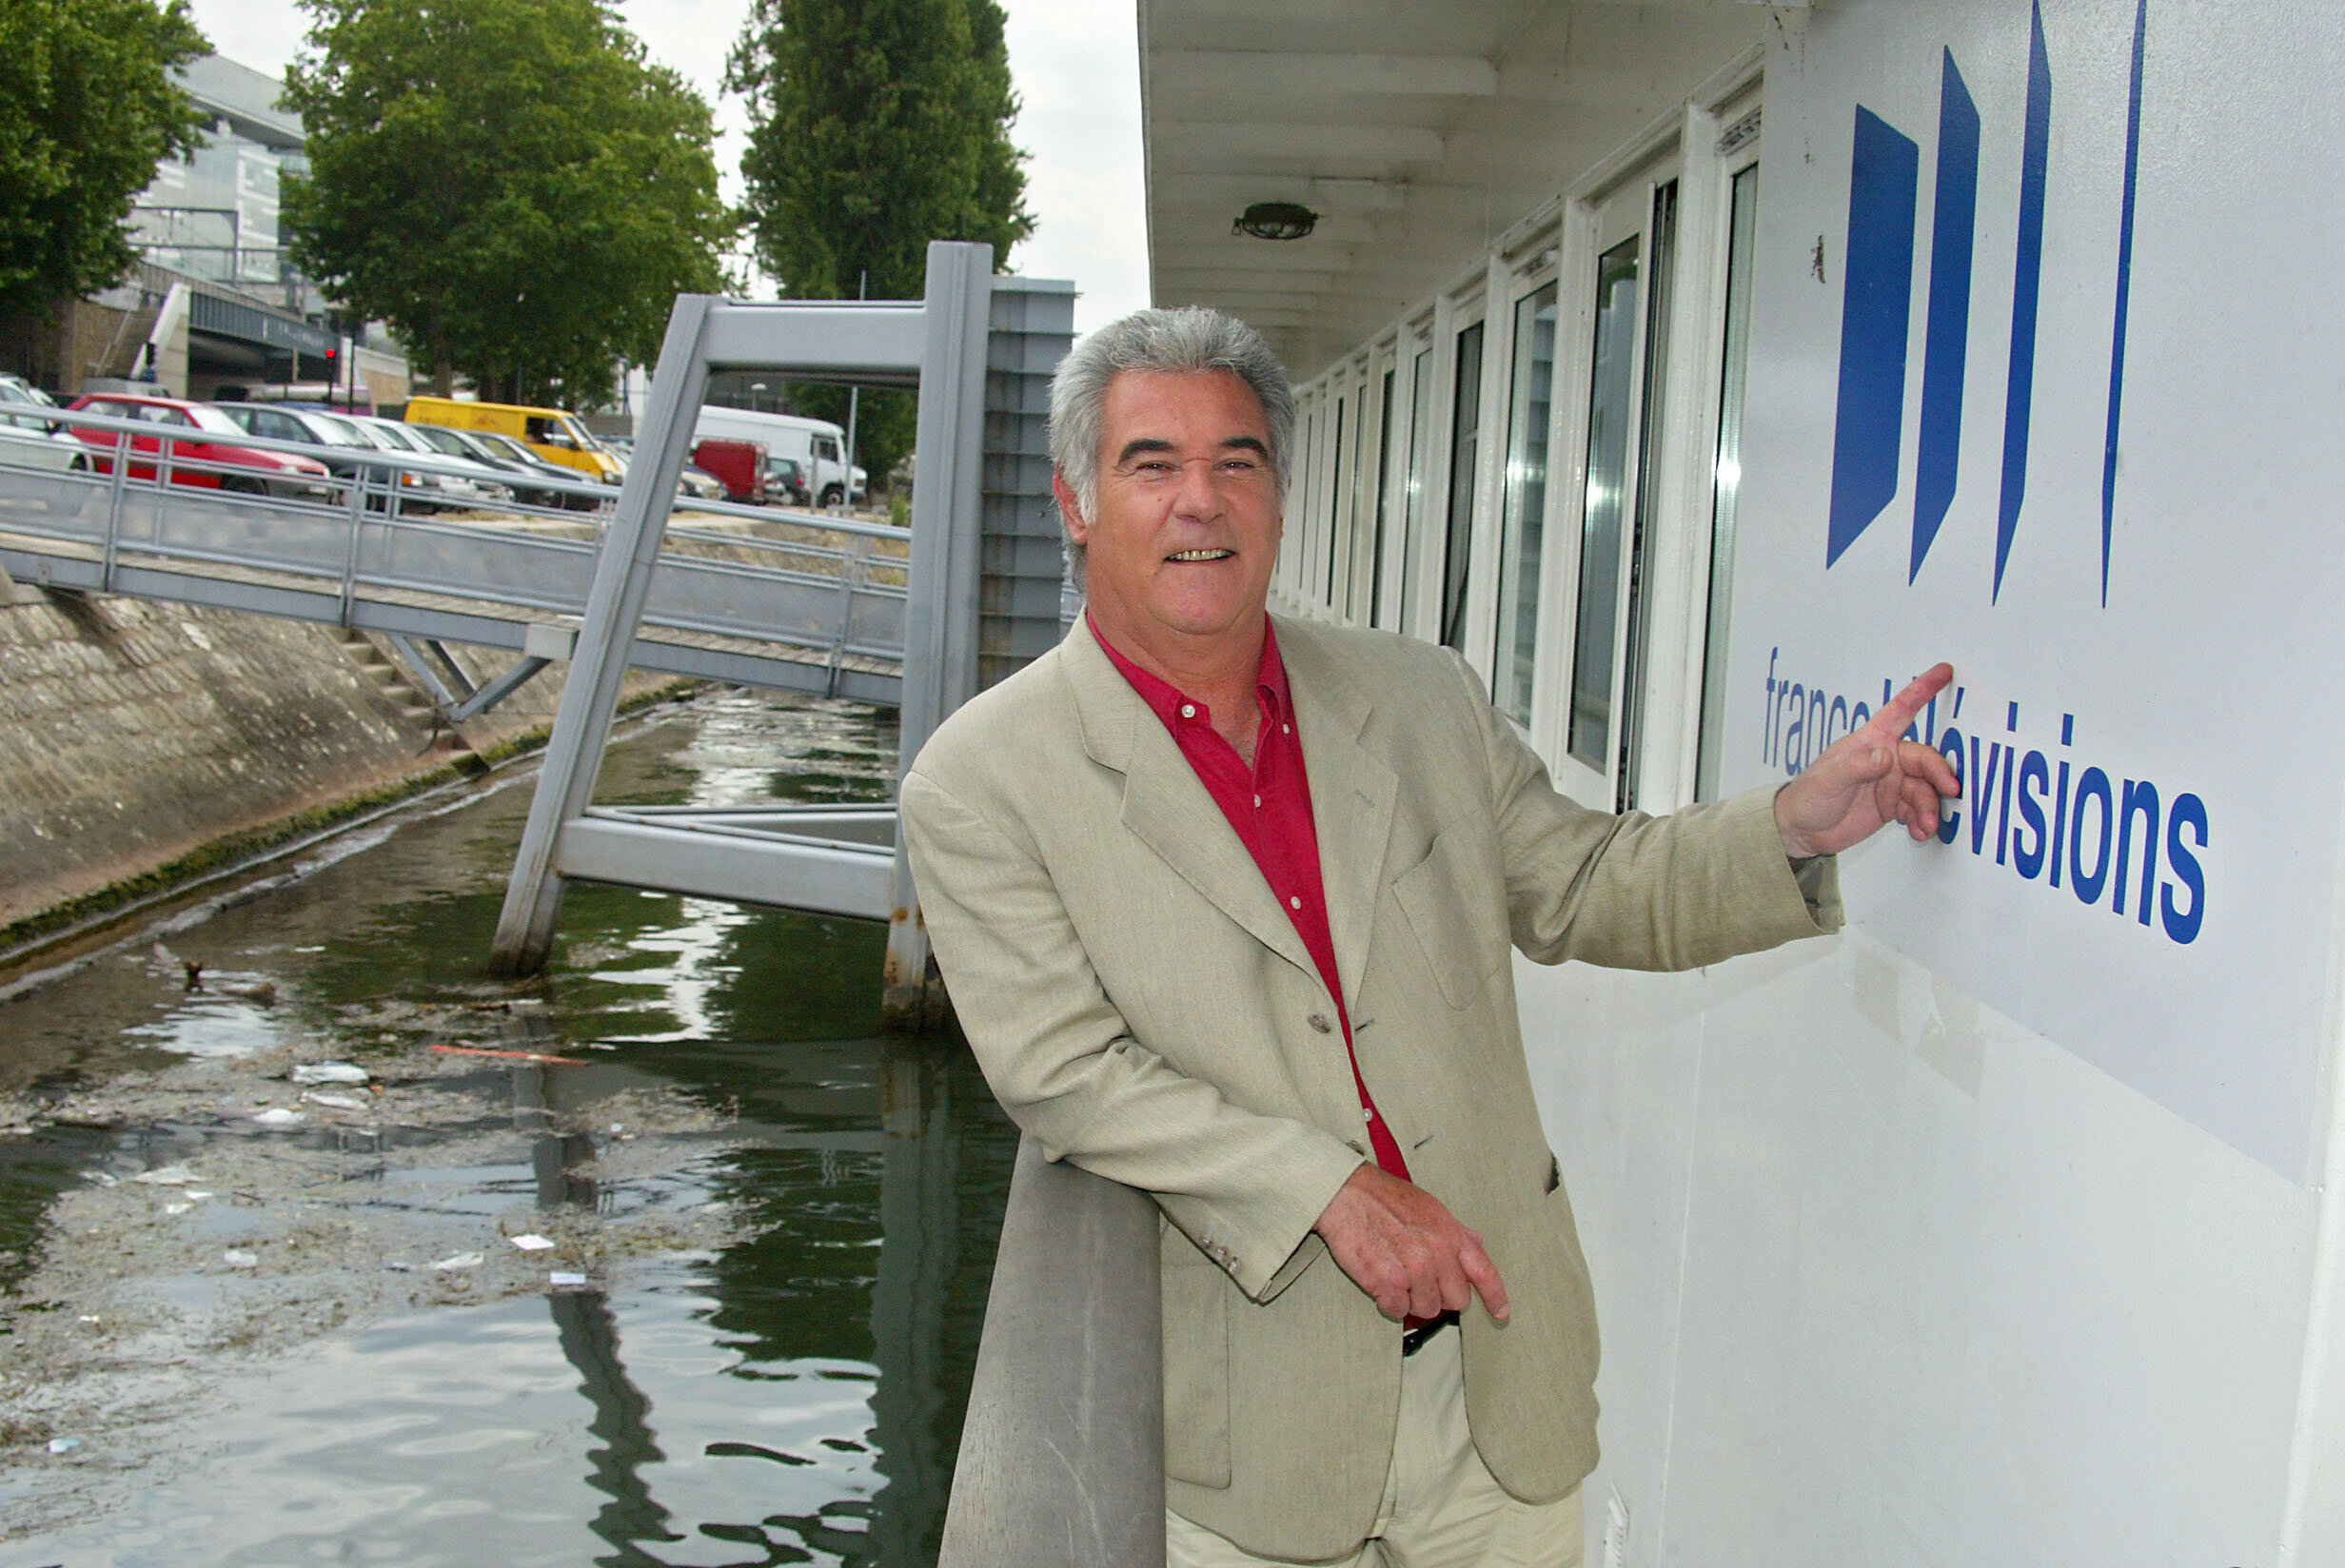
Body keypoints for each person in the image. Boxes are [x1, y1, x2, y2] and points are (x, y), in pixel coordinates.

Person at [899, 307, 1958, 1567]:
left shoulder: (1421, 698)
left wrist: (1791, 823)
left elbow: (1587, 883)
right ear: (1076, 502)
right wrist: (1326, 1190)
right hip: (1253, 1442)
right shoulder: (980, 781)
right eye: (1154, 464)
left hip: (1496, 1388)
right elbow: (1064, 1073)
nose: (1203, 502)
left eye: (1238, 461)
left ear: (1280, 496)